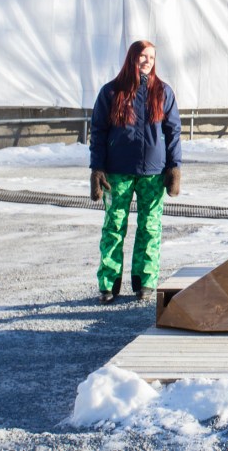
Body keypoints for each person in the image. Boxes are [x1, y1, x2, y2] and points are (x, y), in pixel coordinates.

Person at [89, 40, 182, 304]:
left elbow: (173, 131)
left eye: (152, 57)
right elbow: (97, 132)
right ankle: (108, 284)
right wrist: (97, 169)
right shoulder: (111, 92)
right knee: (114, 226)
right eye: (143, 56)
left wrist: (174, 167)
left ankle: (145, 282)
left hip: (153, 173)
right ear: (132, 58)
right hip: (117, 173)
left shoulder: (163, 92)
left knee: (150, 228)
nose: (148, 61)